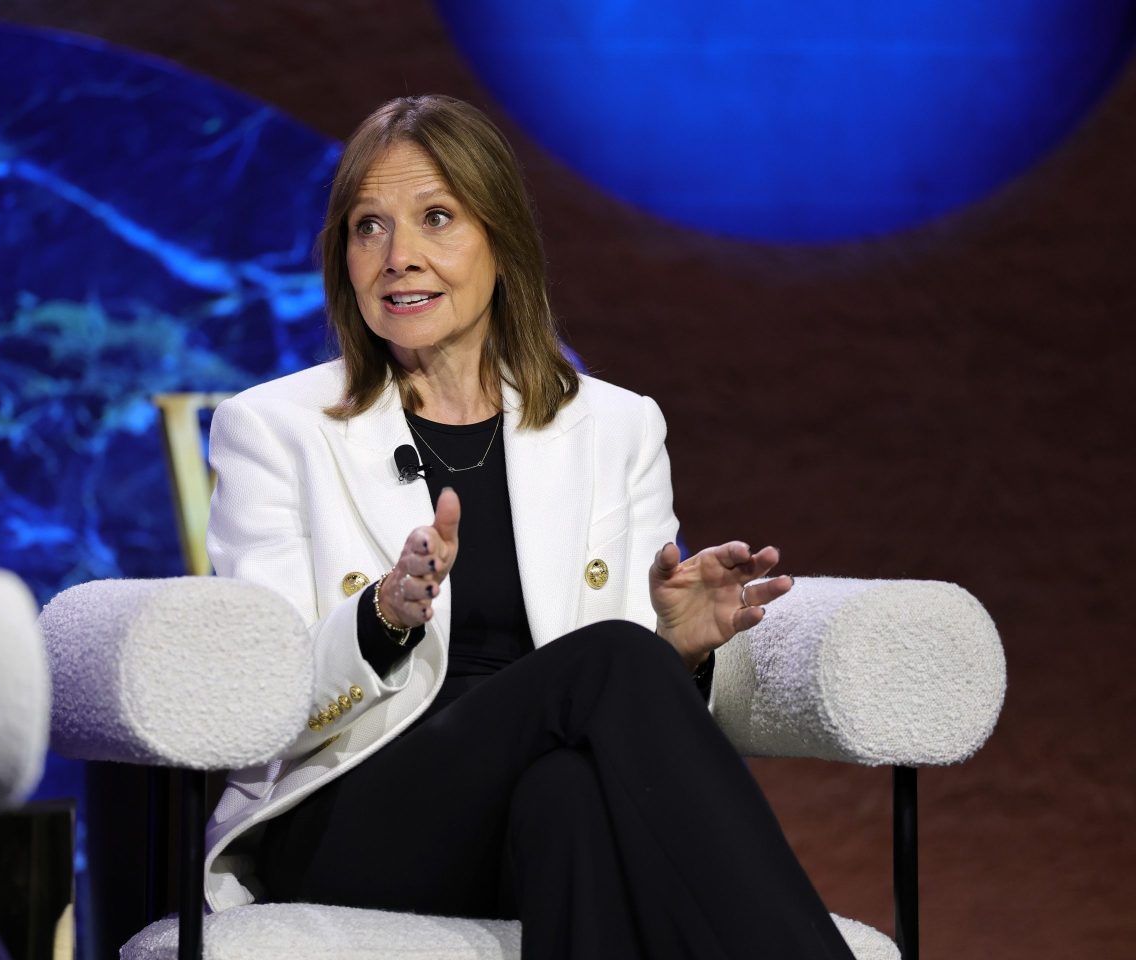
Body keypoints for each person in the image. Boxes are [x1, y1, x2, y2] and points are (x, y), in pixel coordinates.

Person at [201, 94, 858, 959]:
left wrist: (678, 647)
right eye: (369, 227)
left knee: (571, 802)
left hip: (515, 817)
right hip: (351, 814)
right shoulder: (275, 427)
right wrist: (383, 620)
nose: (399, 258)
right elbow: (264, 702)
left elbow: (624, 706)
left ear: (501, 241)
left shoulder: (616, 427)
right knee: (609, 668)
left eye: (436, 219)